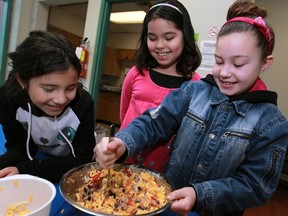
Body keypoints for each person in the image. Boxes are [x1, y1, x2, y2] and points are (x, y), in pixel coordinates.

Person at [93, 0, 288, 215]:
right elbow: (154, 122)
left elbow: (256, 186)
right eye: (219, 61)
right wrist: (123, 142)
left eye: (239, 64)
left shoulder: (271, 124)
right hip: (166, 204)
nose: (224, 72)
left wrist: (199, 194)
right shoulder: (193, 91)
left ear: (265, 63)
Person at [0, 30, 95, 183]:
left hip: (66, 167)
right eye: (49, 89)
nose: (61, 99)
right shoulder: (9, 98)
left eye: (70, 88)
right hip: (39, 159)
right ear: (22, 80)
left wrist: (26, 170)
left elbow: (82, 160)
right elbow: (19, 146)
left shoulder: (83, 103)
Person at [120, 0, 201, 172]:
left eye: (169, 37)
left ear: (184, 36)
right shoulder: (136, 73)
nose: (160, 45)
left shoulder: (195, 85)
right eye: (152, 38)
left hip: (164, 172)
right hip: (126, 162)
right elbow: (124, 112)